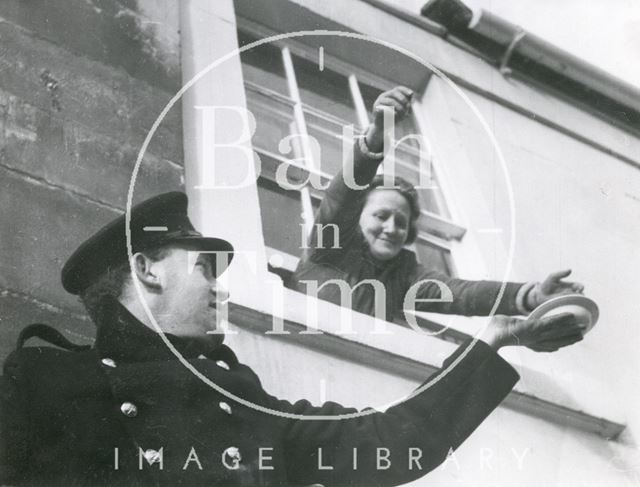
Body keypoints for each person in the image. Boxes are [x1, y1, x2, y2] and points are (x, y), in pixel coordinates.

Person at [0, 191, 585, 486]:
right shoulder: (43, 380)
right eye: (206, 269)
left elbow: (391, 441)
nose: (222, 291)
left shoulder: (249, 402)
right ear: (148, 269)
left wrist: (493, 339)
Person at [292, 86, 584, 323]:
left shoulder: (403, 276)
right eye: (381, 215)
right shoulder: (330, 246)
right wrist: (378, 132)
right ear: (356, 218)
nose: (392, 228)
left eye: (401, 222)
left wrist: (531, 295)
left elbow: (462, 294)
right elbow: (342, 195)